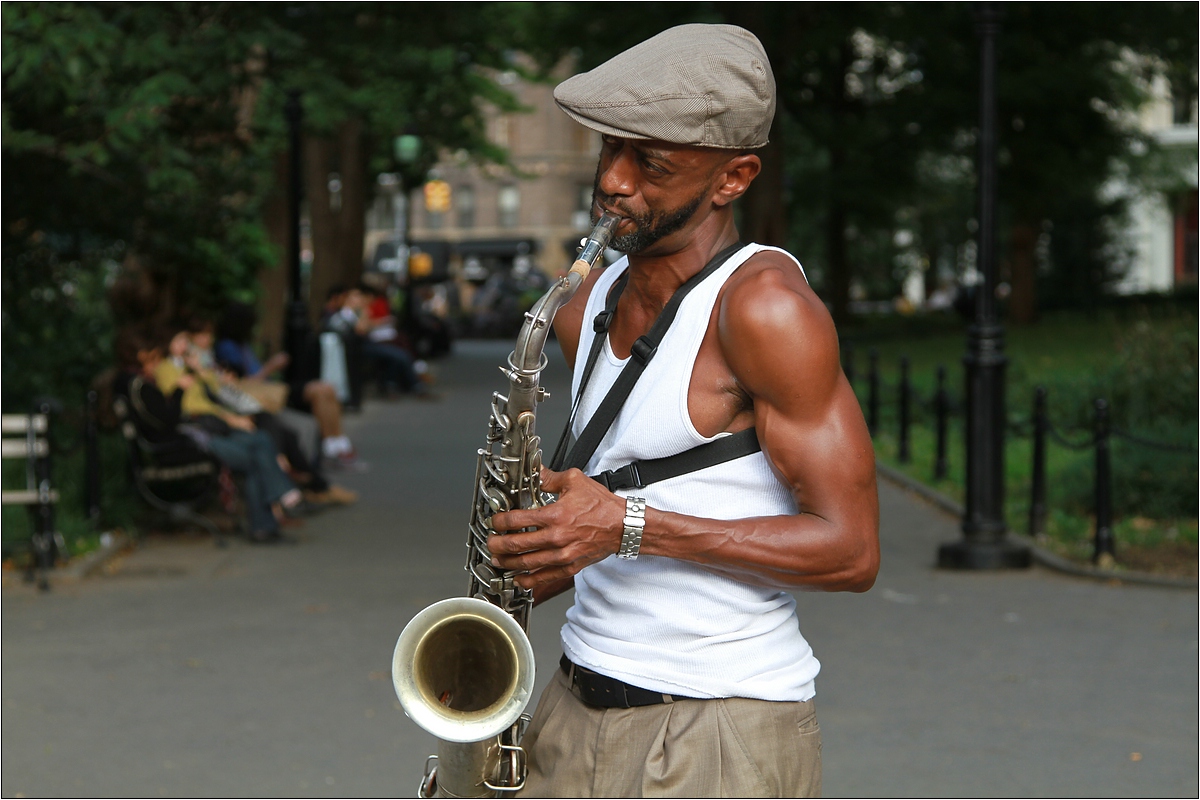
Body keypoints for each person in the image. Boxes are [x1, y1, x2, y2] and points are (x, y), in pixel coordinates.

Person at [484, 24, 880, 798]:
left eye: (652, 164)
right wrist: (547, 546)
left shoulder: (764, 308)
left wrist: (627, 527)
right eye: (609, 151)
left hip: (720, 726)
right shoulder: (582, 305)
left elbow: (851, 552)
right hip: (570, 704)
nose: (615, 183)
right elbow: (613, 495)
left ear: (733, 179)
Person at [187, 318, 358, 506]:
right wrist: (231, 416)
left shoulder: (209, 358)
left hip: (250, 403)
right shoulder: (195, 366)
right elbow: (205, 400)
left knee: (292, 428)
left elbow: (219, 390)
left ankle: (317, 476)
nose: (207, 339)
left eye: (208, 334)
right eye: (201, 335)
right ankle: (293, 481)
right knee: (273, 435)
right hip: (237, 411)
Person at [214, 301, 365, 470]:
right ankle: (332, 447)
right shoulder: (227, 347)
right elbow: (241, 383)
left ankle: (339, 443)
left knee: (328, 389)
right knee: (321, 391)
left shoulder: (242, 345)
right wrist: (271, 366)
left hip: (273, 388)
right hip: (264, 393)